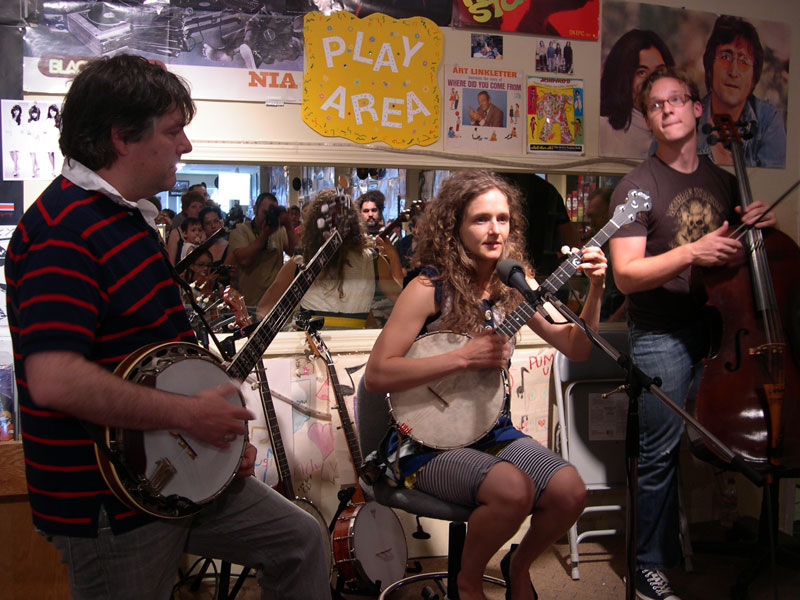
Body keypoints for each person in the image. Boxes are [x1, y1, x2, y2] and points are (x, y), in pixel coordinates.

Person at [5, 53, 330, 600]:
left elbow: (164, 352)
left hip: (178, 468)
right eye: (173, 130)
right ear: (122, 137)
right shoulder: (63, 230)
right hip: (108, 497)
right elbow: (56, 379)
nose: (185, 146)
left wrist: (218, 449)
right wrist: (191, 417)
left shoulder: (130, 218)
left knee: (298, 540)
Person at [364, 169, 607, 600]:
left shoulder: (517, 285)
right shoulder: (427, 288)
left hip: (492, 432)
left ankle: (519, 563)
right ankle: (467, 582)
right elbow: (377, 374)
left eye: (502, 218)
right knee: (513, 490)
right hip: (425, 442)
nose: (495, 229)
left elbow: (577, 347)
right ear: (454, 225)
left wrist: (596, 290)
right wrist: (462, 356)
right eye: (480, 219)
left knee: (571, 491)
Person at [608, 66, 775, 600]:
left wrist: (756, 228)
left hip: (723, 331)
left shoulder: (723, 182)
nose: (667, 110)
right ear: (648, 119)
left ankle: (736, 535)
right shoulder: (637, 188)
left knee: (737, 438)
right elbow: (626, 275)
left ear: (697, 108)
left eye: (676, 99)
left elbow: (737, 264)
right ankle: (650, 565)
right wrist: (690, 252)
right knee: (659, 452)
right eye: (655, 105)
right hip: (661, 333)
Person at [256, 188, 402, 328]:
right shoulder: (300, 264)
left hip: (322, 347)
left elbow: (263, 310)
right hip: (341, 346)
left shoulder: (299, 264)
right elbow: (401, 300)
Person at [697, 15, 786, 168]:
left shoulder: (768, 120)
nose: (733, 72)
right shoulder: (687, 119)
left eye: (744, 61)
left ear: (753, 79)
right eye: (725, 57)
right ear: (710, 68)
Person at [599, 29, 675, 158]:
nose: (652, 81)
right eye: (641, 72)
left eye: (660, 71)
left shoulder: (680, 132)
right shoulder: (603, 130)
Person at [228, 191, 299, 306]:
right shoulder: (240, 231)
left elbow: (296, 254)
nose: (269, 217)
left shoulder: (279, 231)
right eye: (265, 212)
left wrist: (289, 225)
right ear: (255, 209)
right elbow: (245, 260)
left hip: (276, 302)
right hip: (250, 304)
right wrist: (265, 235)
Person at [585, 186, 626, 322]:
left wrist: (613, 321)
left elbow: (635, 295)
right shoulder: (599, 246)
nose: (591, 223)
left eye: (595, 216)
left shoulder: (622, 249)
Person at [167, 189, 206, 264]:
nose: (198, 210)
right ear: (186, 209)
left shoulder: (204, 230)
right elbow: (171, 262)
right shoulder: (176, 233)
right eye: (194, 207)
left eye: (200, 207)